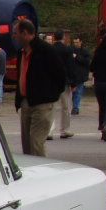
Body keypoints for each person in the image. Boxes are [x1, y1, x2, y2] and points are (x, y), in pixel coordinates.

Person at [12, 18, 66, 157]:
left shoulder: (46, 51)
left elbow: (60, 76)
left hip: (42, 103)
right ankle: (30, 173)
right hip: (26, 102)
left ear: (24, 33)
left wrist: (50, 96)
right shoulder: (21, 52)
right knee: (26, 145)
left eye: (15, 33)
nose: (14, 36)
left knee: (36, 143)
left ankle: (41, 173)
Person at [51, 31, 76, 139]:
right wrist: (73, 82)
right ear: (63, 38)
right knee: (66, 107)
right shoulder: (67, 50)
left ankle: (49, 131)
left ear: (53, 38)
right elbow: (70, 67)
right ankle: (64, 130)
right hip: (64, 82)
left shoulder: (49, 50)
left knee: (51, 106)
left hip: (51, 82)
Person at [70, 36, 91, 114]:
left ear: (81, 42)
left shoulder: (85, 51)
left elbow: (87, 62)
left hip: (81, 75)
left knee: (78, 92)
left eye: (77, 42)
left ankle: (75, 107)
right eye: (74, 42)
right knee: (72, 92)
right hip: (72, 74)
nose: (75, 44)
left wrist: (77, 57)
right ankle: (73, 106)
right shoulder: (71, 50)